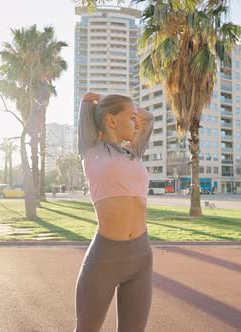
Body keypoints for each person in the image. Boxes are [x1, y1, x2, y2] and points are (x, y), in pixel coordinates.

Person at [75, 92, 154, 332]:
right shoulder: (92, 150)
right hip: (105, 258)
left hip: (141, 256)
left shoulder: (133, 152)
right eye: (130, 117)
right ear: (110, 121)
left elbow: (148, 119)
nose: (136, 122)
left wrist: (132, 112)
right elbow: (87, 106)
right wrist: (90, 103)